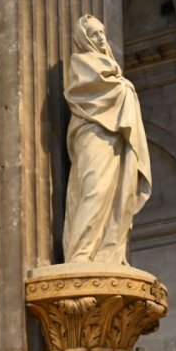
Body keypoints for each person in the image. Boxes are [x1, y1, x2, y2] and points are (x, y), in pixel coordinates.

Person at [61, 13, 151, 266]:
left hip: (115, 137)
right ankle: (80, 254)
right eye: (94, 35)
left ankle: (108, 253)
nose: (100, 39)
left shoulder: (114, 73)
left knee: (118, 194)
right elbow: (88, 93)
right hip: (92, 134)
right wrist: (124, 89)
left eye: (102, 33)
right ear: (83, 39)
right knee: (94, 189)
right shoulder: (81, 63)